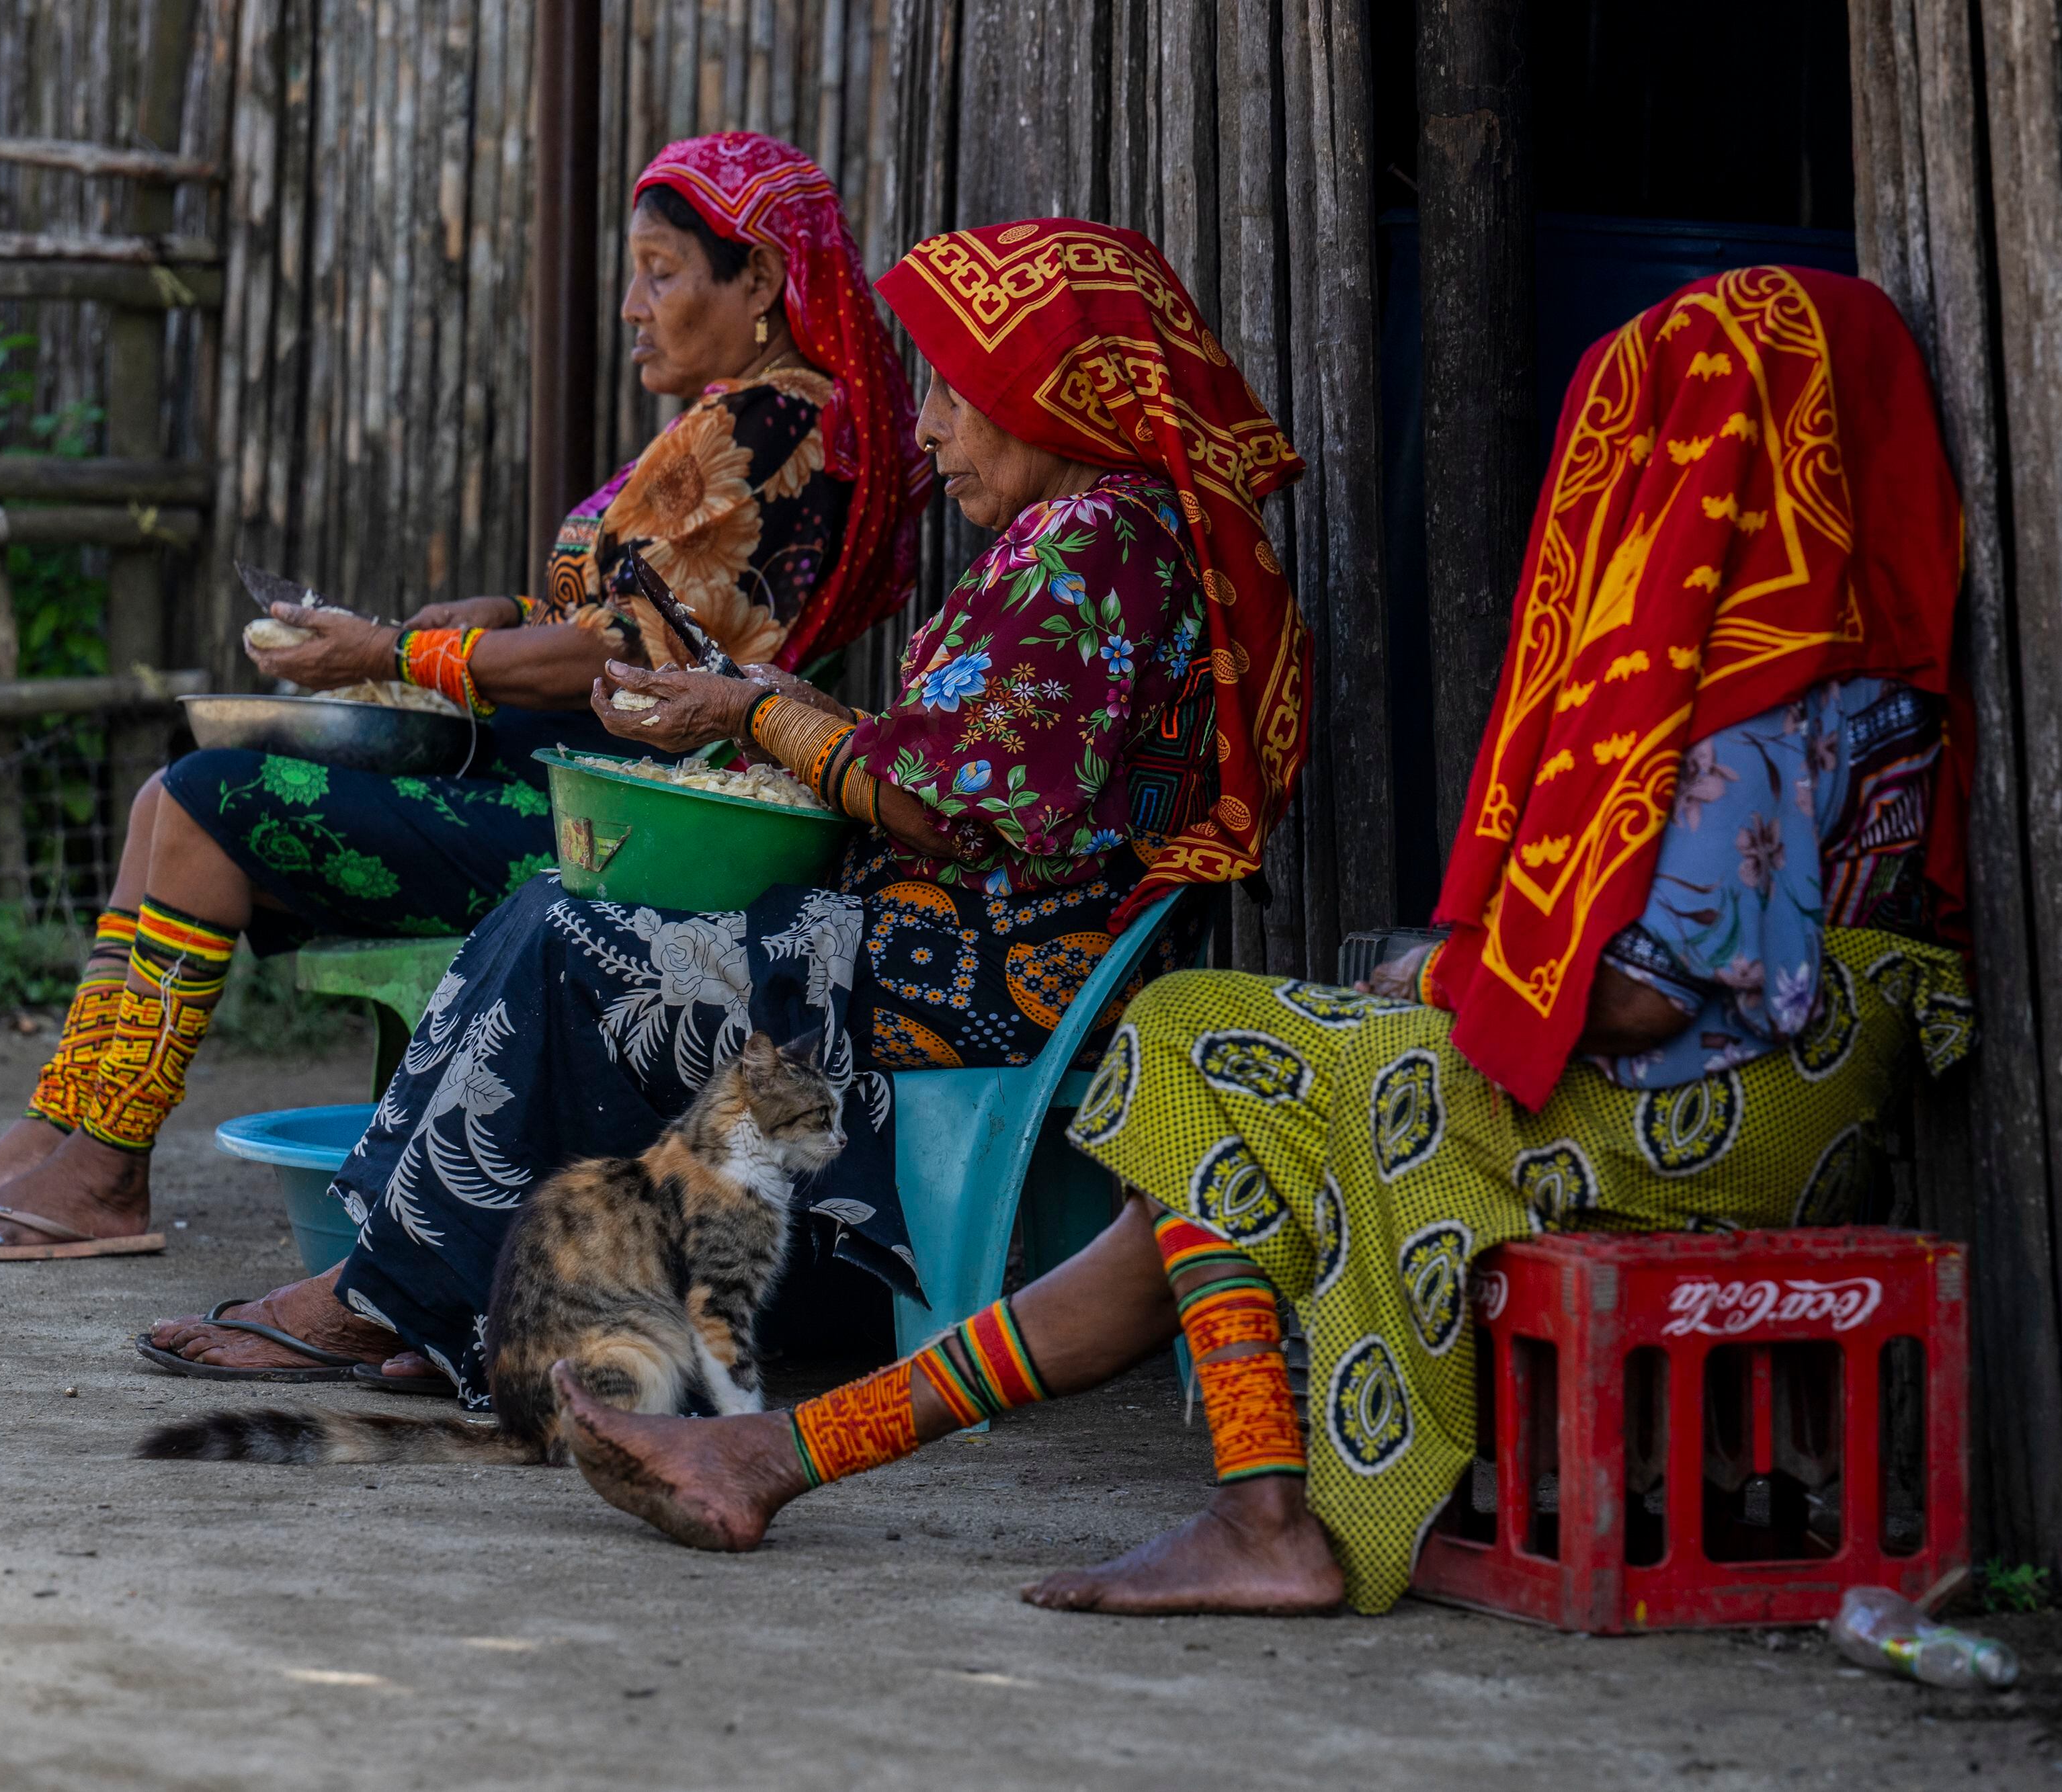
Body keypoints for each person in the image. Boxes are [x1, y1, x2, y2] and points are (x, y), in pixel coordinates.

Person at [546, 263, 1976, 1618]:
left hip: (1707, 1114)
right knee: (1204, 1111)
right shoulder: (1824, 659)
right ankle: (783, 1458)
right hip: (1723, 1085)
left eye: (1653, 438)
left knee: (1200, 1040)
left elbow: (1644, 1001)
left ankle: (1250, 1517)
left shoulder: (1758, 702)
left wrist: (1433, 975)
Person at [133, 218, 1316, 1392]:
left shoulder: (1096, 543)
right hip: (944, 948)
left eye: (958, 393)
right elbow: (962, 761)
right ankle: (442, 1304)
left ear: (1046, 390)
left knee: (565, 937)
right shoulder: (1119, 535)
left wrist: (754, 715)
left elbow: (940, 804)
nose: (931, 427)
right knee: (556, 906)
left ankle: (385, 1299)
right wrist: (772, 698)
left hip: (972, 975)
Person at [0, 132, 925, 1260]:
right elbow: (661, 613)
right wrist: (499, 616)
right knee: (169, 798)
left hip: (617, 822)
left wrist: (391, 654)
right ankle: (46, 1140)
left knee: (208, 800)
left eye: (662, 271)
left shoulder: (773, 425)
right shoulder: (754, 419)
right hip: (577, 784)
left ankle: (104, 1179)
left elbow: (627, 665)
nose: (635, 306)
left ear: (761, 283)